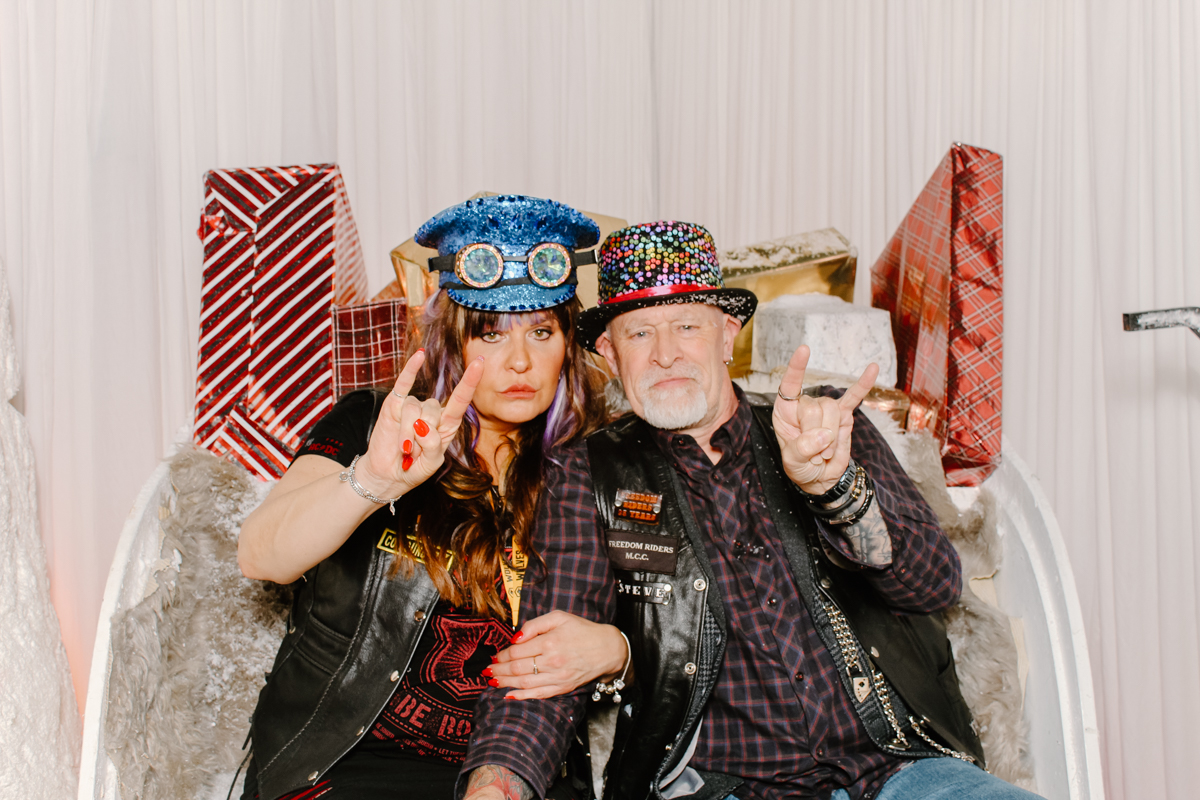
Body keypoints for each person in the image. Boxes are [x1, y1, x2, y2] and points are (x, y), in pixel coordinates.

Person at [463, 221, 1045, 800]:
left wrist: (835, 490)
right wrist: (496, 787)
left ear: (727, 336)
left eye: (687, 325)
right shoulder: (586, 474)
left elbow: (936, 587)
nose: (665, 355)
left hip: (902, 770)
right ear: (610, 356)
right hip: (722, 786)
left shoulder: (824, 426)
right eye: (639, 334)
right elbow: (544, 668)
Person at [236, 195, 628, 800]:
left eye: (541, 332)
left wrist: (617, 651)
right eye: (491, 336)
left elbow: (690, 621)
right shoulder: (376, 424)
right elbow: (260, 555)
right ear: (450, 340)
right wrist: (372, 481)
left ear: (569, 343)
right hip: (350, 759)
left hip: (526, 768)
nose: (521, 361)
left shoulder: (602, 463)